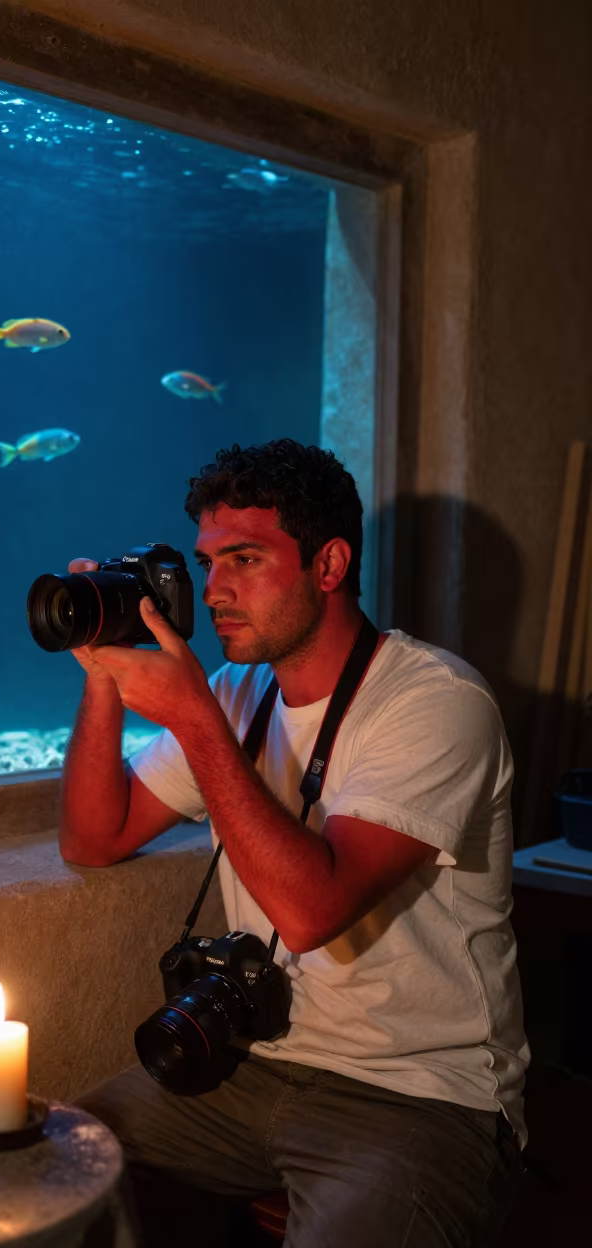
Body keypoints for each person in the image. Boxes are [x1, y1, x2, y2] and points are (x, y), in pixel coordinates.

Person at [59, 439, 529, 1248]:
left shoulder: (437, 703)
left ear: (329, 564)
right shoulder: (242, 692)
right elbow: (94, 837)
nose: (215, 591)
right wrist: (106, 672)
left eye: (245, 559)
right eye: (208, 563)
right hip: (250, 1063)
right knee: (58, 1164)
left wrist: (196, 719)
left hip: (423, 1096)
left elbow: (314, 911)